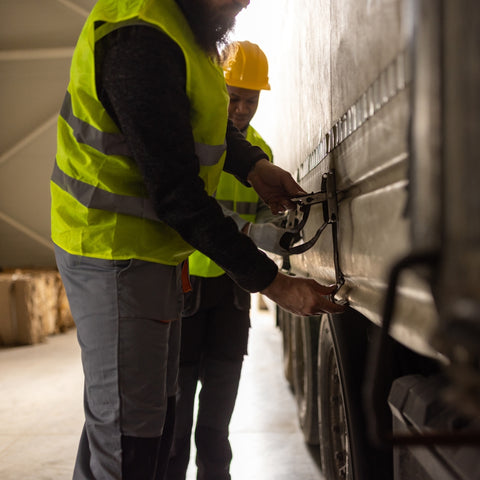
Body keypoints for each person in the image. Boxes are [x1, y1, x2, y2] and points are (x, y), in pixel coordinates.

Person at [50, 1, 344, 479]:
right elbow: (177, 193)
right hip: (113, 251)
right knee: (130, 446)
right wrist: (275, 284)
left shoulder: (187, 32)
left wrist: (253, 165)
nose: (245, 1)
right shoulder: (141, 37)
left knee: (144, 423)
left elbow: (196, 126)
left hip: (153, 255)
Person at [166, 40, 281, 480]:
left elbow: (264, 214)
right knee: (175, 429)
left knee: (215, 429)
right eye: (234, 98)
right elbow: (190, 208)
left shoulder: (259, 153)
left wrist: (280, 227)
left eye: (250, 100)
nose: (241, 110)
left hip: (233, 294)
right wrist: (247, 231)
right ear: (218, 89)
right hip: (186, 290)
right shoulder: (192, 143)